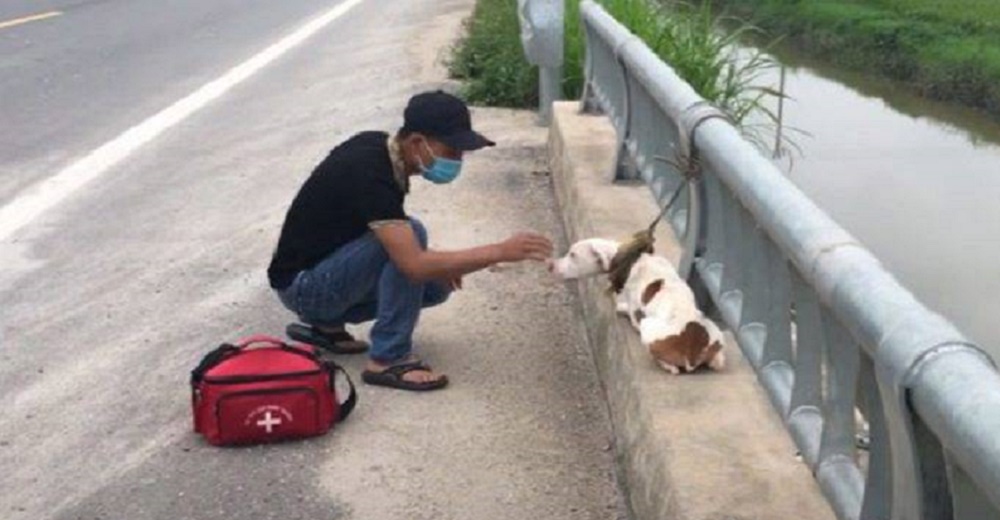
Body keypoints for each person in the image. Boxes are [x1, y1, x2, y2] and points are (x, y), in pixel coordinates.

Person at [267, 91, 553, 391]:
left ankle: (328, 328)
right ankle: (388, 359)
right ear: (417, 142)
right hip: (305, 289)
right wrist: (500, 251)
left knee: (436, 287)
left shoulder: (381, 150)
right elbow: (413, 265)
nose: (458, 160)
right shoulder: (370, 172)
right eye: (452, 150)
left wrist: (441, 266)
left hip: (314, 279)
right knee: (414, 238)